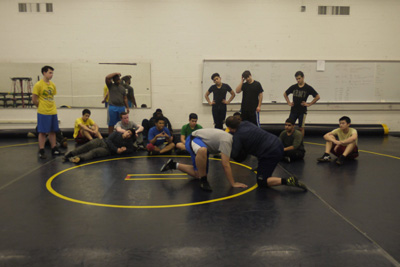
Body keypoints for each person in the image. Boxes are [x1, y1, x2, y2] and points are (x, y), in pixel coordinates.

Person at [225, 116, 307, 190]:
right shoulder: (246, 123)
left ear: (229, 128)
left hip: (270, 153)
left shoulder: (238, 136)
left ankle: (288, 181)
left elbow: (235, 154)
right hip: (277, 143)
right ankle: (263, 167)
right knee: (260, 152)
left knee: (262, 181)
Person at [160, 128, 248, 192]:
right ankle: (204, 181)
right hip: (194, 139)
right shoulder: (227, 142)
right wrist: (233, 183)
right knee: (202, 150)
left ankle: (173, 165)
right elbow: (225, 164)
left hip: (201, 143)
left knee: (198, 174)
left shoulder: (232, 141)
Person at [32, 65, 62, 159]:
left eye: (52, 73)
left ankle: (54, 149)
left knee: (53, 131)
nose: (51, 75)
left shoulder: (52, 85)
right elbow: (34, 99)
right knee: (42, 132)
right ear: (44, 73)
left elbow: (52, 96)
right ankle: (41, 150)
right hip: (43, 112)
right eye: (50, 72)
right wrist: (40, 106)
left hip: (53, 111)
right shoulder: (38, 85)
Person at [63, 128, 136, 164]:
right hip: (102, 142)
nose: (128, 134)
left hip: (108, 150)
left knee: (94, 152)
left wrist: (125, 150)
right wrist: (116, 149)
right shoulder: (116, 133)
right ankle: (70, 154)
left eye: (130, 135)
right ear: (125, 131)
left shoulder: (128, 142)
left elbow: (131, 149)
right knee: (88, 145)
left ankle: (79, 158)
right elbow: (109, 140)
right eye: (128, 132)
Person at [283, 71, 320, 136]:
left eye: (299, 78)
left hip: (302, 111)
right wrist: (289, 102)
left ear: (303, 78)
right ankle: (290, 139)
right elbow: (285, 94)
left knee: (301, 128)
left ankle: (300, 142)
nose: (298, 80)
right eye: (297, 79)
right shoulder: (294, 87)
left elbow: (317, 97)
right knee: (290, 126)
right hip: (293, 110)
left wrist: (309, 104)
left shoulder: (307, 88)